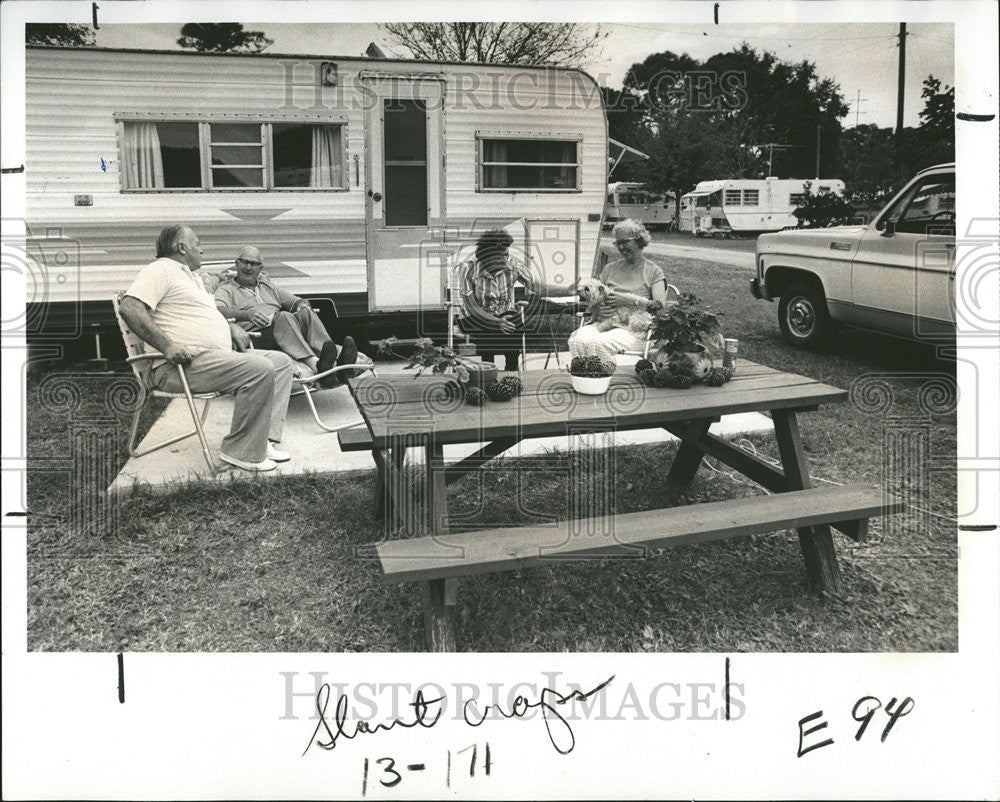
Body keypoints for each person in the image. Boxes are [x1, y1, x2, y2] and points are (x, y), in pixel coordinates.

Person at [119, 225, 294, 472]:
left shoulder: (188, 277)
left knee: (282, 363)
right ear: (182, 247)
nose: (202, 250)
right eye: (198, 244)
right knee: (260, 367)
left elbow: (201, 314)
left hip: (212, 358)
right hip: (178, 367)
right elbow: (130, 307)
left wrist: (228, 327)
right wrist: (167, 346)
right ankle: (241, 452)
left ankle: (261, 441)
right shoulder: (160, 270)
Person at [213, 246, 358, 388]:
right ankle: (315, 364)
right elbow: (218, 310)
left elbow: (296, 301)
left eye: (254, 264)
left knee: (305, 312)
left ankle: (334, 362)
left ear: (261, 268)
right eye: (245, 262)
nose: (249, 267)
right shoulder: (226, 289)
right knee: (284, 316)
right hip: (257, 335)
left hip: (284, 329)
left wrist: (302, 305)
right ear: (236, 263)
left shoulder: (268, 287)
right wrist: (247, 315)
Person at [568, 219, 669, 359]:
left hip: (634, 329)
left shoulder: (654, 271)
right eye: (618, 243)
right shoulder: (610, 269)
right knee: (577, 340)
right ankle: (582, 378)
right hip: (604, 322)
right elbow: (591, 297)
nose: (621, 247)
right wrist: (594, 309)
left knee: (599, 343)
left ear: (639, 240)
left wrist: (630, 299)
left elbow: (659, 306)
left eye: (625, 242)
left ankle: (601, 379)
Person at [455, 228, 537, 371]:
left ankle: (511, 369)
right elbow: (472, 308)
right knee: (489, 328)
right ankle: (488, 368)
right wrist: (496, 322)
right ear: (488, 256)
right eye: (502, 256)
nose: (506, 259)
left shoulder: (513, 265)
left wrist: (567, 290)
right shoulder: (468, 269)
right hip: (474, 317)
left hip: (504, 314)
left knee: (514, 322)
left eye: (507, 254)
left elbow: (538, 287)